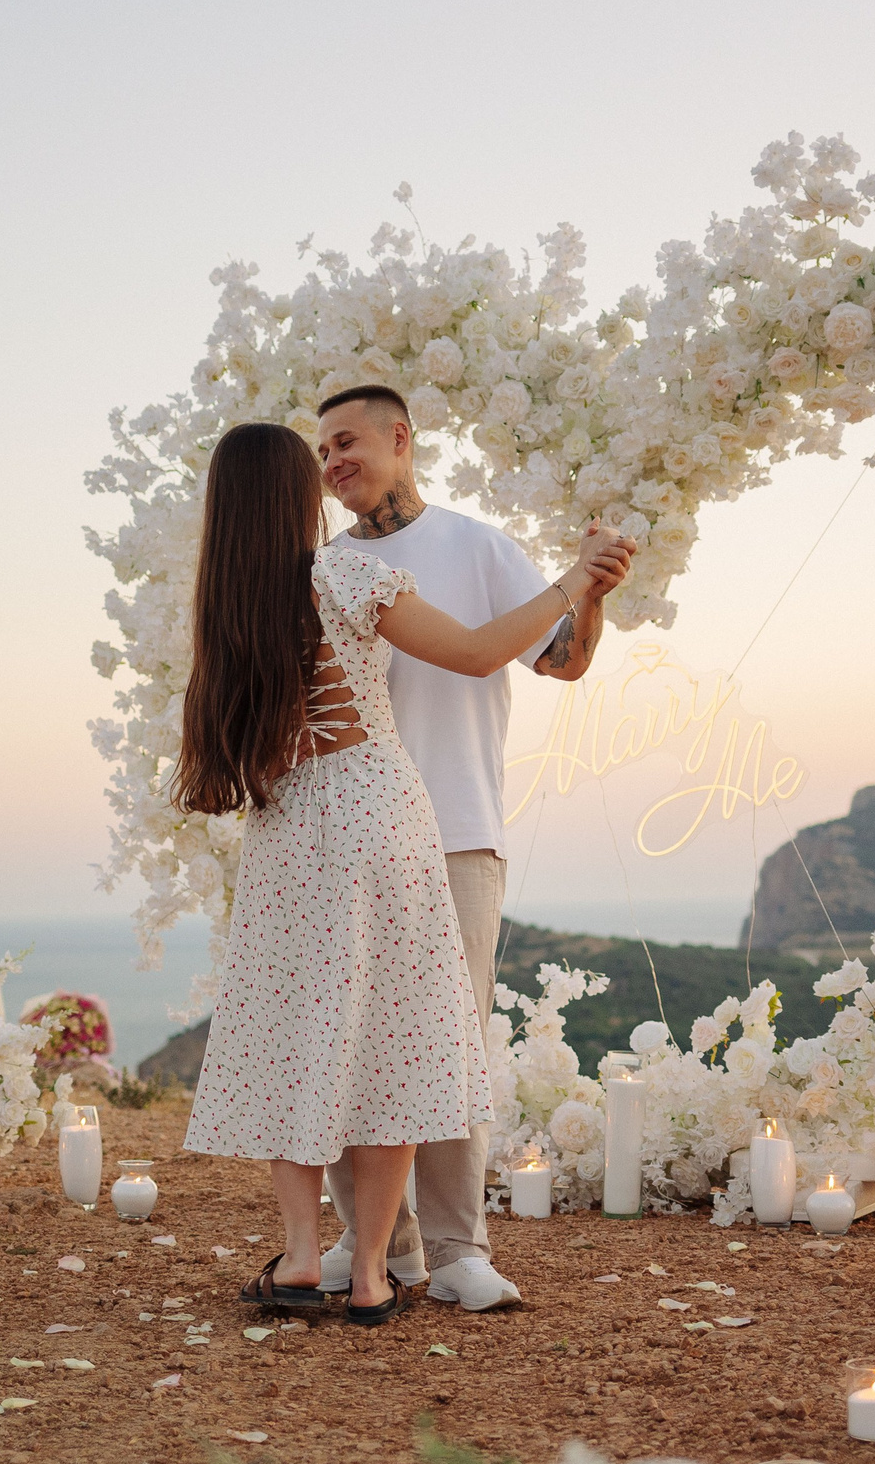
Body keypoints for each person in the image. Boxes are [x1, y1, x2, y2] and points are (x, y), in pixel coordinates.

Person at [174, 421, 625, 1322]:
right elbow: (471, 652)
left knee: (303, 1036)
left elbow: (230, 765)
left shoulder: (225, 610)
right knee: (399, 1037)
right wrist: (575, 581)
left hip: (288, 833)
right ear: (294, 496)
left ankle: (306, 1254)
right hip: (377, 813)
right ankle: (377, 1270)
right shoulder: (343, 573)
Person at [309, 384, 630, 1311]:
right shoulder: (321, 567)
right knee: (345, 1041)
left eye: (347, 443)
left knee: (447, 1044)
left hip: (456, 827)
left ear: (400, 440)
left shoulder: (473, 544)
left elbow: (561, 659)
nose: (333, 464)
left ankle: (455, 1248)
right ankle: (378, 1244)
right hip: (348, 839)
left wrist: (592, 594)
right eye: (322, 452)